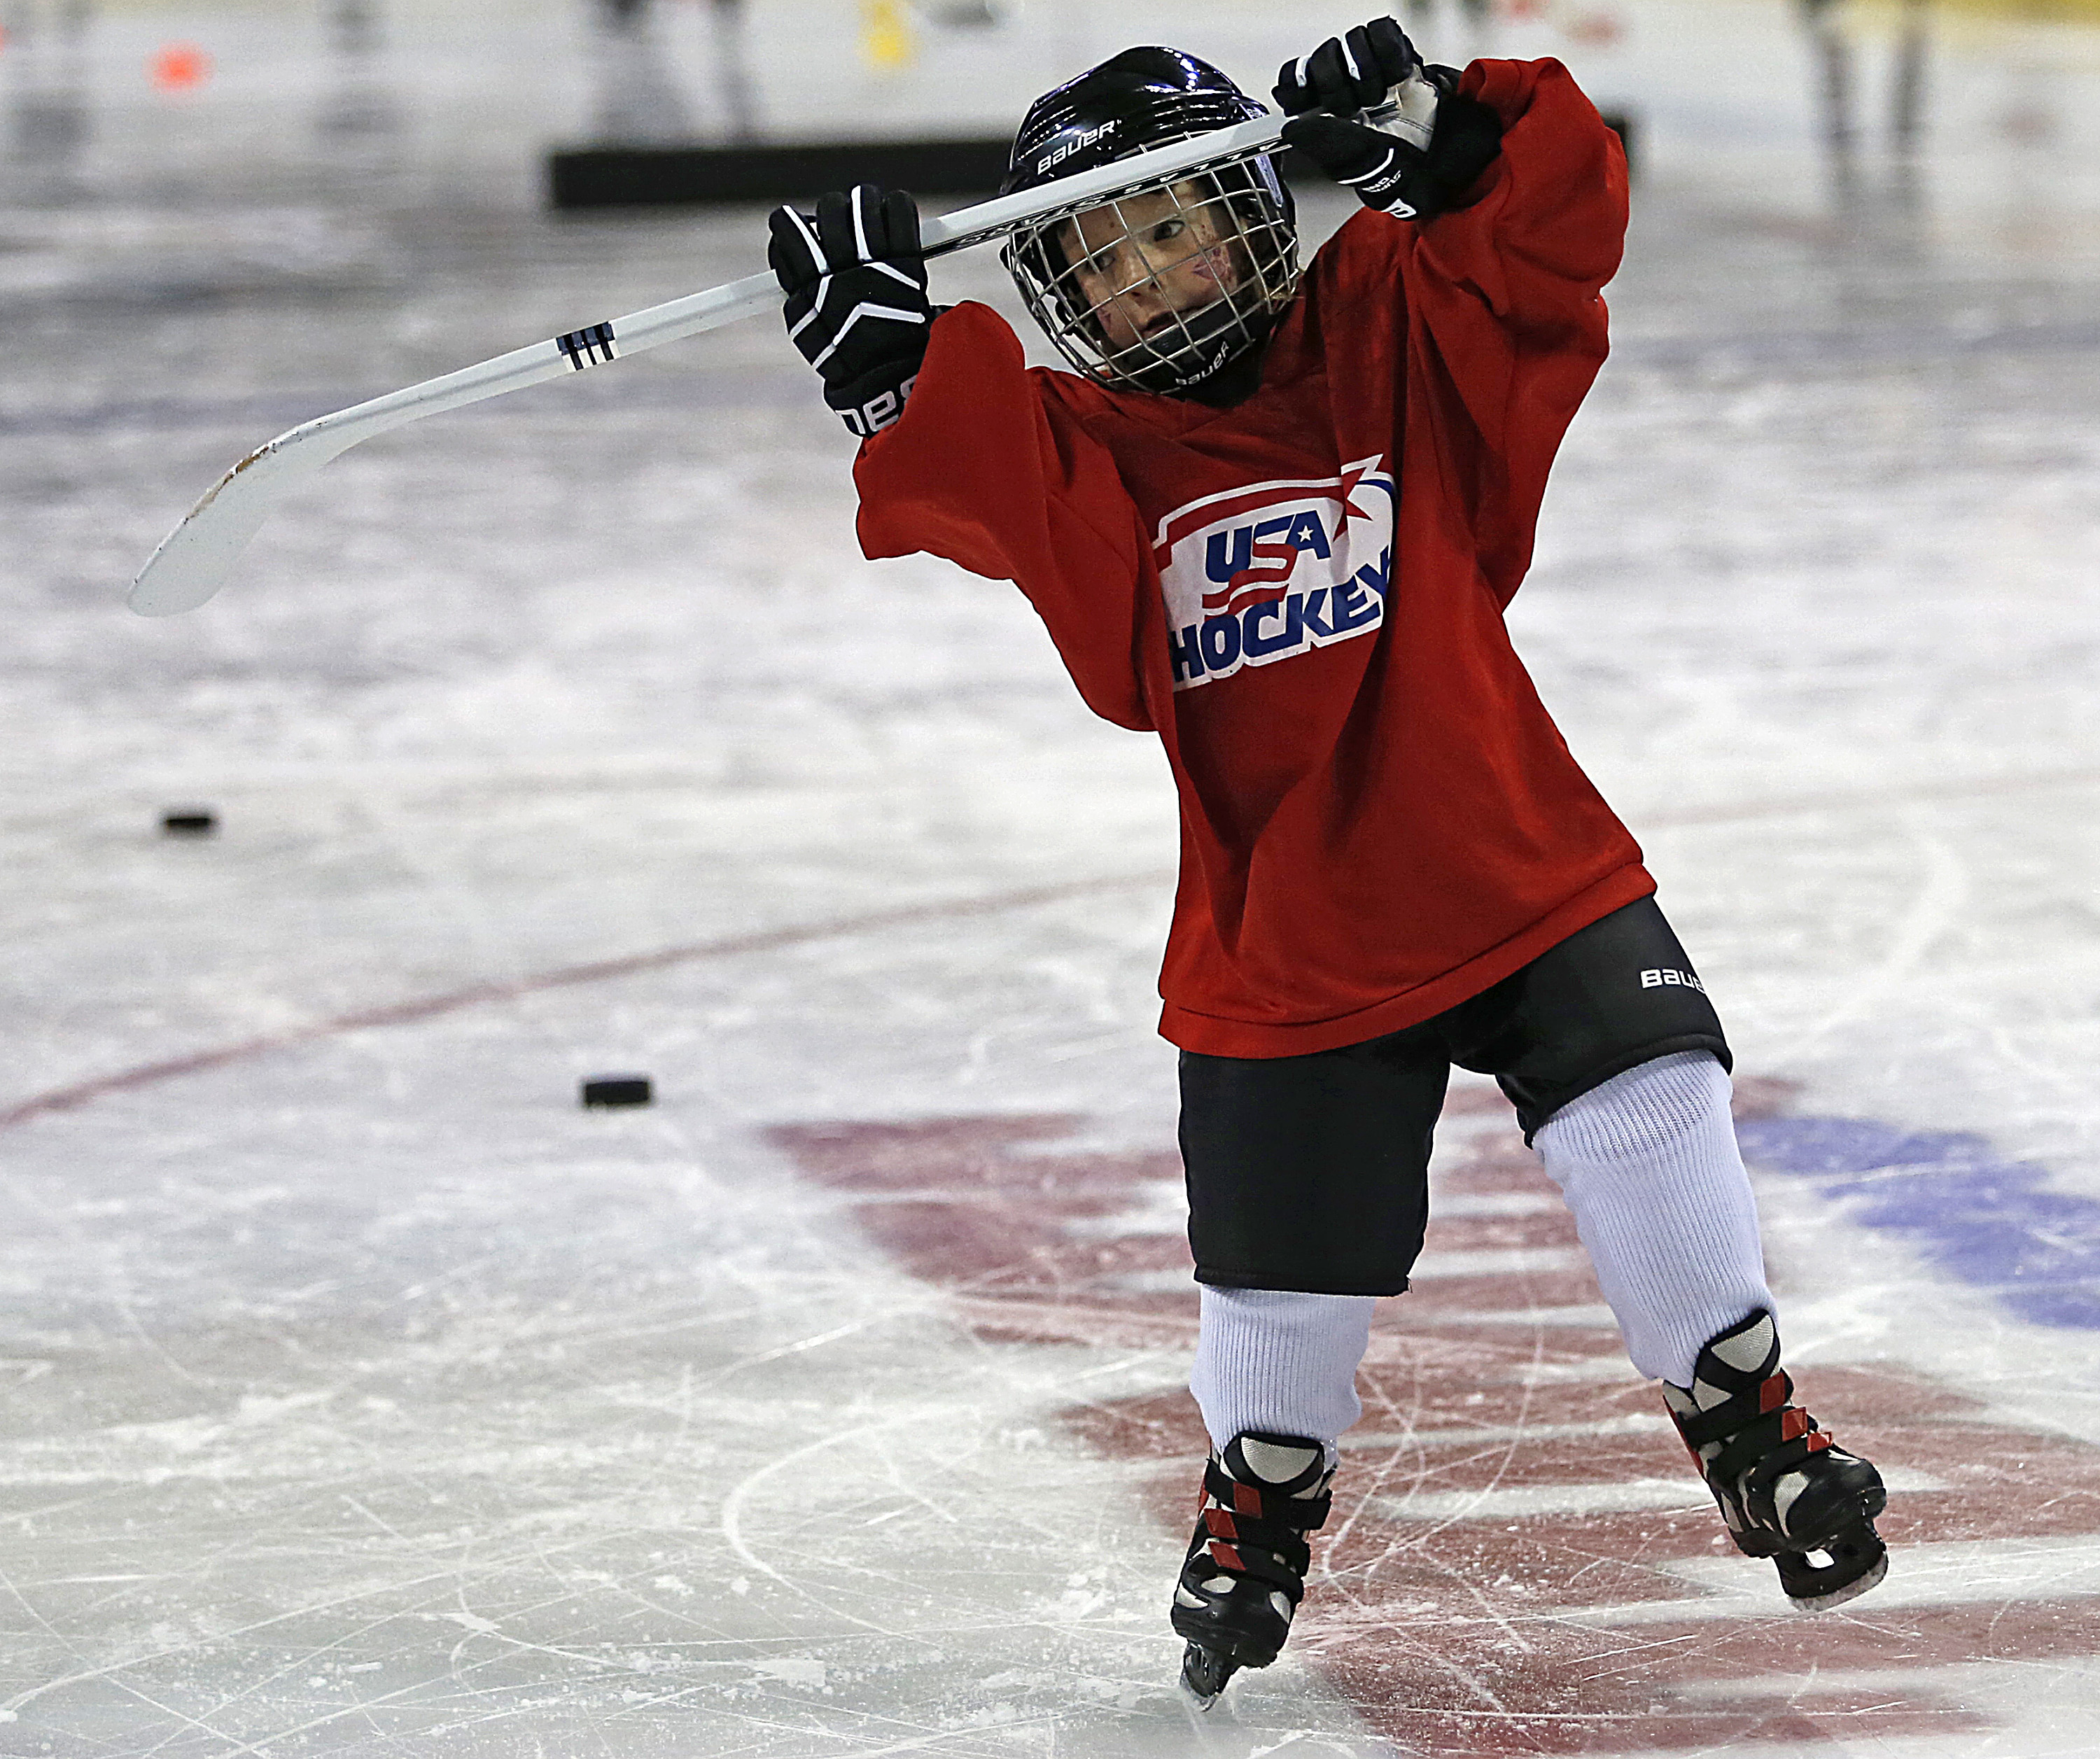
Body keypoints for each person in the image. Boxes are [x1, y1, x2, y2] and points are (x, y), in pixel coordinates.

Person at [766, 18, 1889, 1709]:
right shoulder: (1093, 448)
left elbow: (1548, 231)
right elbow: (1011, 524)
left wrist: (1448, 133)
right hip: (1289, 932)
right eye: (1104, 258)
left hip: (1514, 855)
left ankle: (1749, 1419)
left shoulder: (1387, 321)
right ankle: (1264, 1498)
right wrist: (887, 375)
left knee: (1654, 1094)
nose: (1150, 276)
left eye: (1172, 224)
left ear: (1248, 208)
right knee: (1281, 1281)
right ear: (1064, 297)